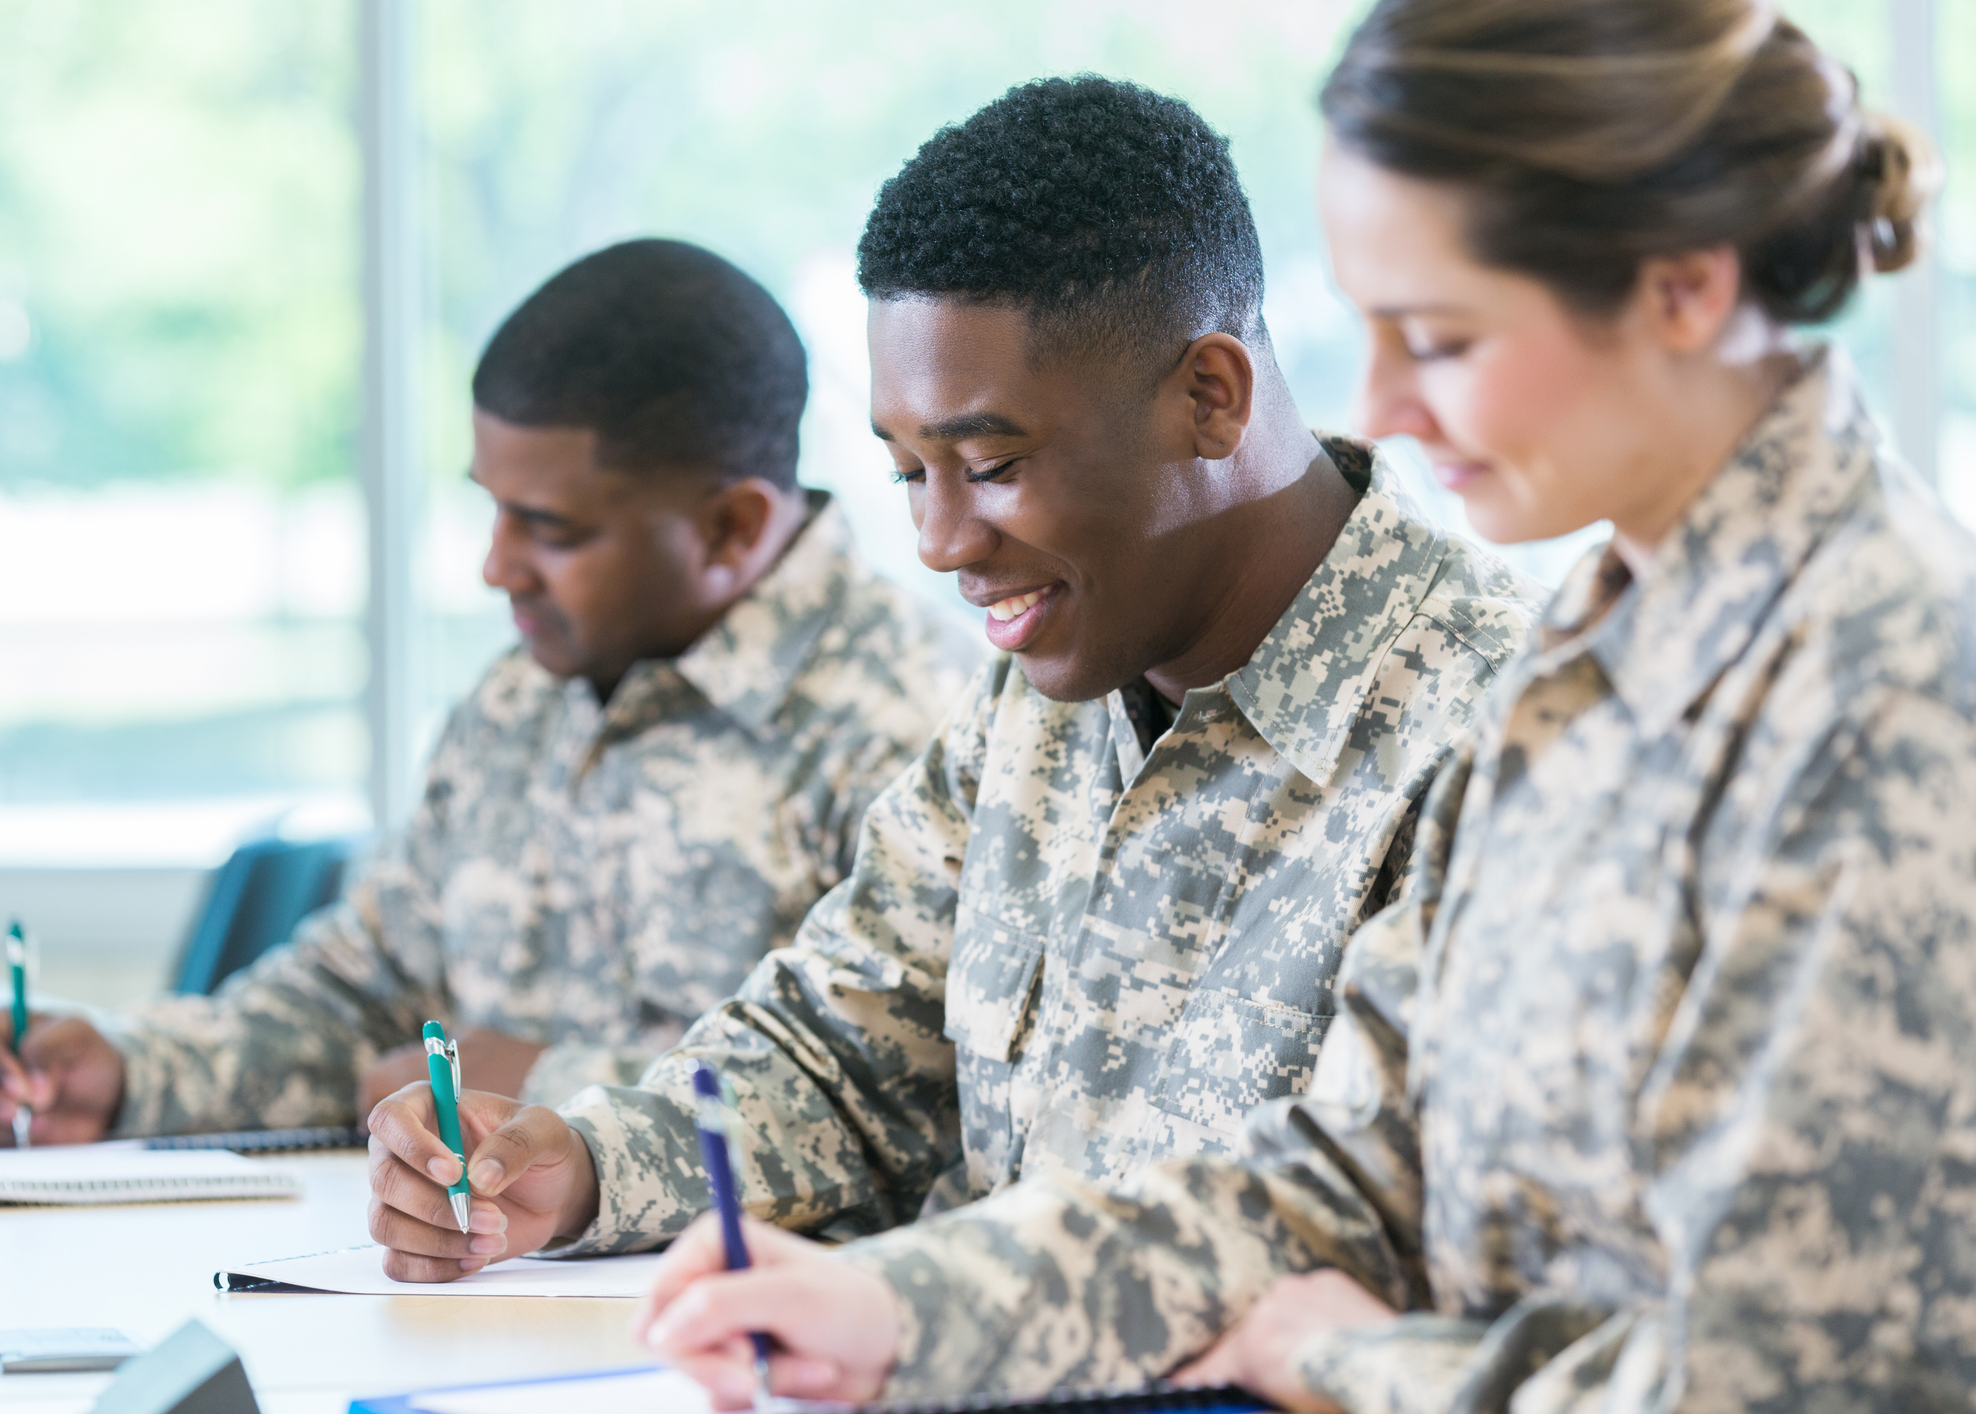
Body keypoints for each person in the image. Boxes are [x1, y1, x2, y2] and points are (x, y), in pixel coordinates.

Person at [628, 4, 1976, 1411]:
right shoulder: (1599, 654)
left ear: (1683, 290)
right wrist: (899, 1309)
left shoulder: (1884, 692)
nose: (1379, 402)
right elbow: (1347, 1167)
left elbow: (1797, 1384)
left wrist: (1343, 1358)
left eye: (1438, 337)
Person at [363, 77, 1540, 1283]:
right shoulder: (1047, 684)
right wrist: (580, 1163)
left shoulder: (1499, 732)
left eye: (990, 462)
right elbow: (840, 1049)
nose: (940, 540)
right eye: (908, 472)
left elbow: (1389, 1242)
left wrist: (902, 1313)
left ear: (1210, 398)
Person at [0, 238, 981, 1146]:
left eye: (552, 529)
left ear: (732, 528)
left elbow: (902, 1102)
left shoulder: (921, 728)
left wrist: (534, 1077)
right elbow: (357, 992)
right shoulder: (524, 694)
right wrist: (121, 1069)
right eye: (495, 510)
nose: (497, 567)